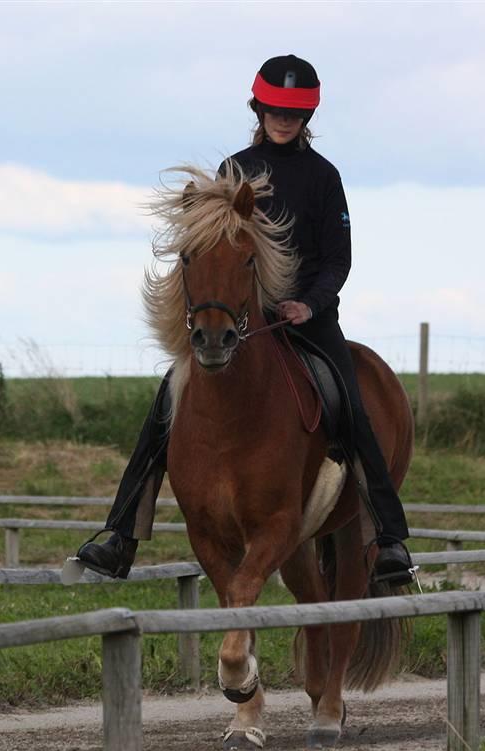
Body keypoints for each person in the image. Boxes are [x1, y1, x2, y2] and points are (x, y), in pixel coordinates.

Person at [76, 54, 414, 585]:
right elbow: (213, 248)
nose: (283, 120)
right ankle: (121, 535)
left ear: (307, 117)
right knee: (165, 407)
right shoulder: (233, 171)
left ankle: (389, 539)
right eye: (275, 110)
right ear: (258, 109)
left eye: (294, 113)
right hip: (241, 321)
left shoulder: (324, 177)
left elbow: (337, 260)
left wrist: (309, 303)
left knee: (353, 406)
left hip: (307, 321)